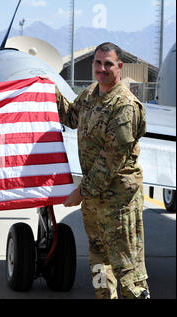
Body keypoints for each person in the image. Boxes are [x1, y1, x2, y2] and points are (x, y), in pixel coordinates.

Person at [54, 42, 150, 299]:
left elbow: (111, 160)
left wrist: (80, 192)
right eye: (98, 63)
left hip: (118, 203)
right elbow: (71, 117)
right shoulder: (90, 94)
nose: (102, 68)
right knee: (99, 264)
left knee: (128, 272)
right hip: (95, 202)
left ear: (119, 67)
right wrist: (46, 90)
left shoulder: (125, 106)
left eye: (108, 64)